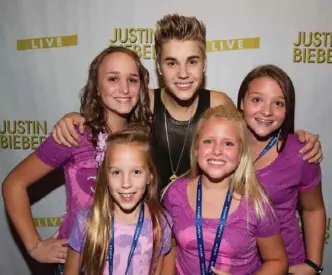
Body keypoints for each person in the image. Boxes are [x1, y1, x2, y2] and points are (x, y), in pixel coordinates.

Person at [49, 14, 323, 193]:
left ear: (204, 64)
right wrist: (76, 116)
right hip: (148, 230)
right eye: (172, 63)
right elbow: (106, 119)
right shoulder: (142, 101)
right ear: (158, 66)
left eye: (192, 61)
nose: (182, 74)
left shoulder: (219, 103)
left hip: (199, 228)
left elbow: (254, 134)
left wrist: (296, 137)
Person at [2, 46, 152, 275]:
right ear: (97, 87)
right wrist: (35, 247)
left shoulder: (143, 139)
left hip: (128, 264)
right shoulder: (75, 133)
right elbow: (14, 184)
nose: (124, 88)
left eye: (132, 79)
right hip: (78, 265)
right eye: (113, 78)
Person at [162, 105, 288, 275]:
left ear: (241, 152)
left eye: (228, 143)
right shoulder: (175, 193)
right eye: (208, 141)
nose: (217, 151)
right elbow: (170, 247)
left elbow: (277, 261)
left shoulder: (256, 204)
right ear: (196, 148)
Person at [237, 64, 326, 275]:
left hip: (287, 266)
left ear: (288, 110)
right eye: (257, 99)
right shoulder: (222, 147)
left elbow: (313, 209)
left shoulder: (301, 151)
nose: (266, 111)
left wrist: (313, 264)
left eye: (278, 103)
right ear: (241, 102)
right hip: (235, 266)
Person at [64, 127, 172, 275]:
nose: (126, 183)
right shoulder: (87, 222)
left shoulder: (160, 223)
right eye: (116, 172)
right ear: (105, 177)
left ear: (150, 176)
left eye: (136, 172)